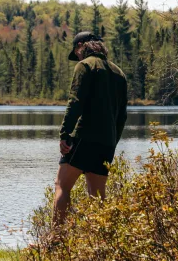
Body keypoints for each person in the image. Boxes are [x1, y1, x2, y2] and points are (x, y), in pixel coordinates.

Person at [53, 31, 128, 228]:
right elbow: (122, 116)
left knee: (62, 186)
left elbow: (75, 102)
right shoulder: (119, 73)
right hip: (106, 144)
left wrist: (64, 134)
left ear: (81, 46)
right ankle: (99, 241)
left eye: (76, 53)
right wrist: (112, 142)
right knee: (97, 196)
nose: (77, 57)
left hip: (84, 138)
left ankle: (56, 238)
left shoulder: (85, 66)